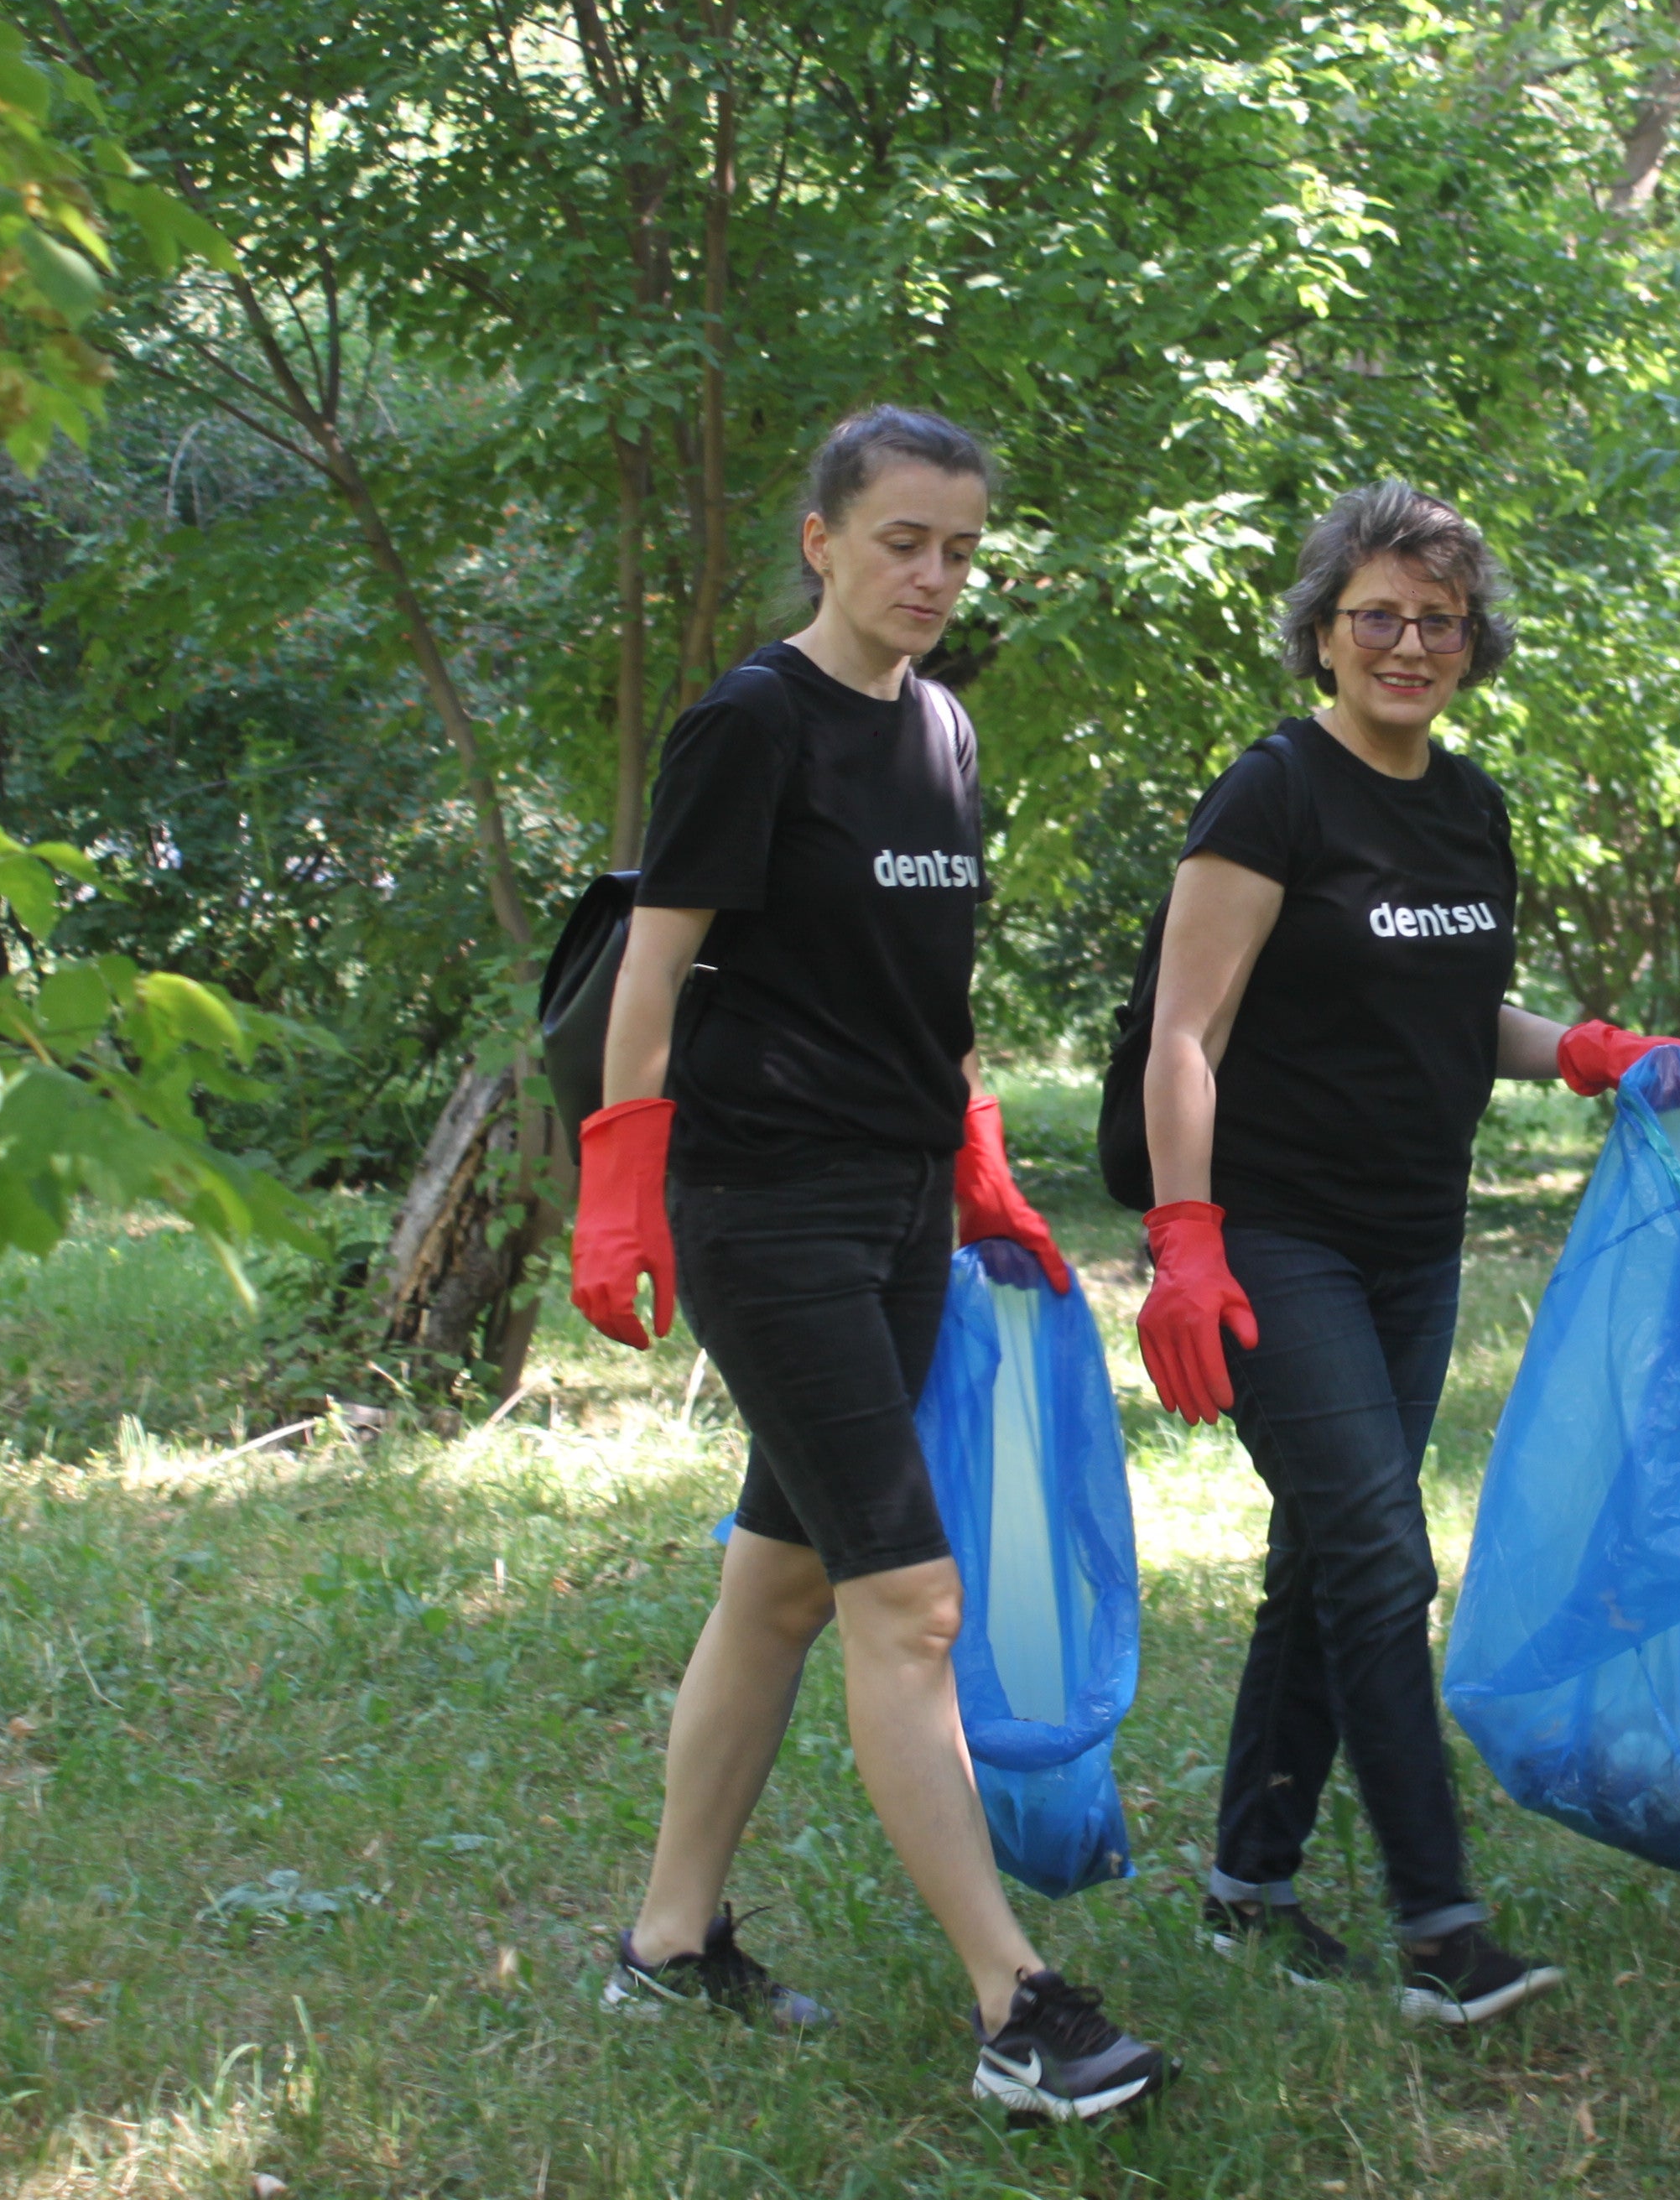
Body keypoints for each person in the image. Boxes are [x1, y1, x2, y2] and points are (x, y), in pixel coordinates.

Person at [570, 405, 1166, 2123]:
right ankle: (1017, 2005)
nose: (934, 575)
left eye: (961, 549)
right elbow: (652, 969)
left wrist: (978, 1164)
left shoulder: (946, 731)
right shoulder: (751, 725)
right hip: (765, 1206)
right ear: (823, 541)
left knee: (781, 1581)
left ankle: (668, 1946)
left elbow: (924, 985)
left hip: (901, 1205)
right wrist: (621, 1185)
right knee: (908, 1601)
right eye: (904, 541)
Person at [1126, 480, 1680, 2024]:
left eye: (1441, 622)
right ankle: (1440, 1933)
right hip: (1273, 1236)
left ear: (1475, 643)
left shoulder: (1469, 810)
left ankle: (1248, 1890)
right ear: (1324, 632)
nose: (1410, 646)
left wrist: (1590, 1050)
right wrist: (1186, 1237)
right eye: (1379, 617)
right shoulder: (1273, 794)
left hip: (1414, 1239)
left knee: (1323, 1561)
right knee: (1382, 1558)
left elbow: (1457, 1009)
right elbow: (1186, 1032)